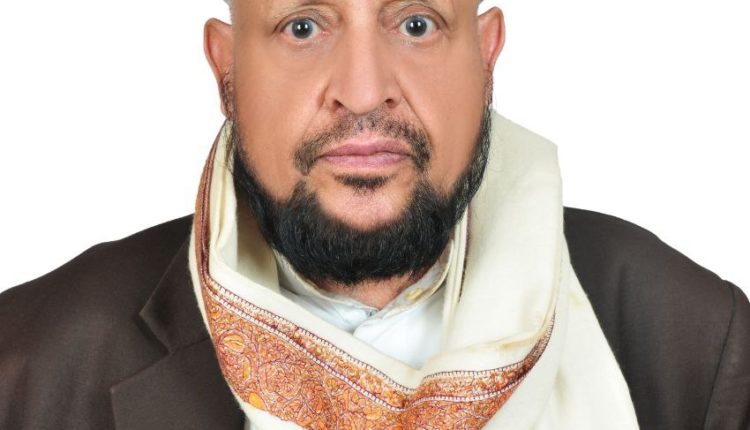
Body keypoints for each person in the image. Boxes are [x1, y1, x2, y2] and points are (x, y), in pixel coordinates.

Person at [1, 0, 748, 429]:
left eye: (416, 23)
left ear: (486, 54)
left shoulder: (696, 345)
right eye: (303, 26)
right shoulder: (28, 369)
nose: (362, 93)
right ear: (226, 67)